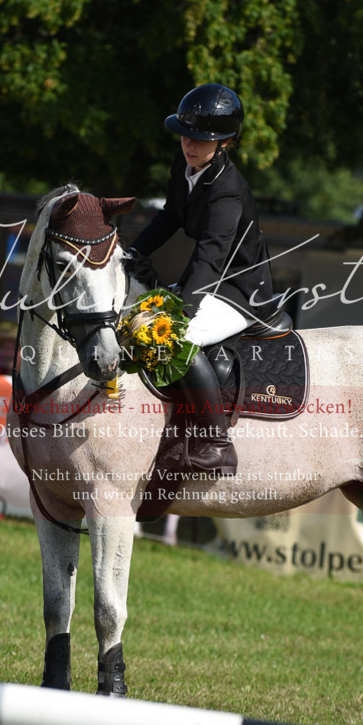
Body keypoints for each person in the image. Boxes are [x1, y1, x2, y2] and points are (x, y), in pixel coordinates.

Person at [129, 83, 275, 476]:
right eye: (185, 136)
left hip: (241, 290)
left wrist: (185, 309)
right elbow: (169, 217)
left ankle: (216, 443)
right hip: (212, 280)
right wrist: (133, 253)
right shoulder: (186, 167)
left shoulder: (227, 190)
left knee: (178, 336)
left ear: (225, 142)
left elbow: (212, 254)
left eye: (200, 139)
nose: (189, 145)